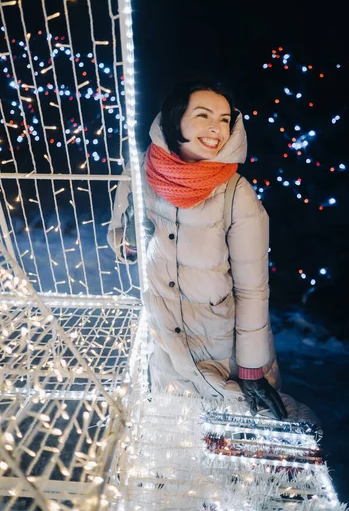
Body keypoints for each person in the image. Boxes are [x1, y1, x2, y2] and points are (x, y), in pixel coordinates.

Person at [108, 79, 288, 420]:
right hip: (164, 346)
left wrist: (251, 369)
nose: (216, 128)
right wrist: (129, 240)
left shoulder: (236, 193)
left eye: (224, 119)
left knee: (236, 454)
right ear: (175, 120)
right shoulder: (137, 174)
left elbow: (252, 289)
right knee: (176, 446)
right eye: (203, 115)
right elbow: (121, 244)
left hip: (221, 351)